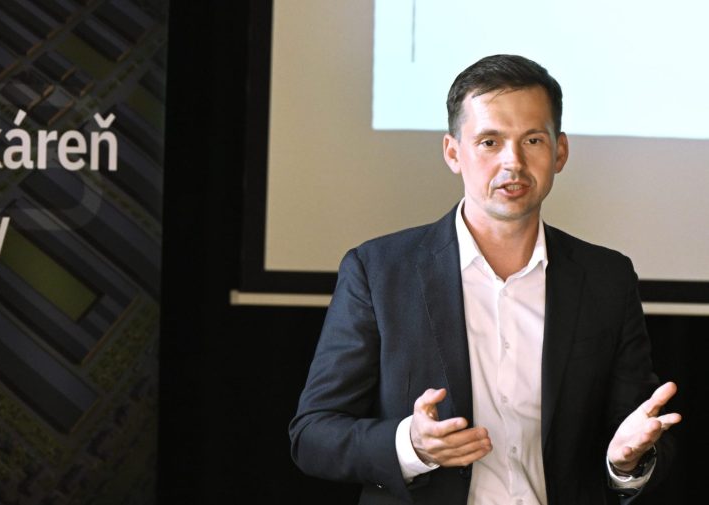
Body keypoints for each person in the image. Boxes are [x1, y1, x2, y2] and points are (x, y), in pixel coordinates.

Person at [289, 54, 680, 505]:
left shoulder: (606, 279)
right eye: (489, 142)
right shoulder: (379, 271)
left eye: (533, 140)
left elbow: (638, 428)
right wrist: (412, 446)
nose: (513, 162)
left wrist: (625, 463)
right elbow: (313, 434)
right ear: (453, 153)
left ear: (560, 152)